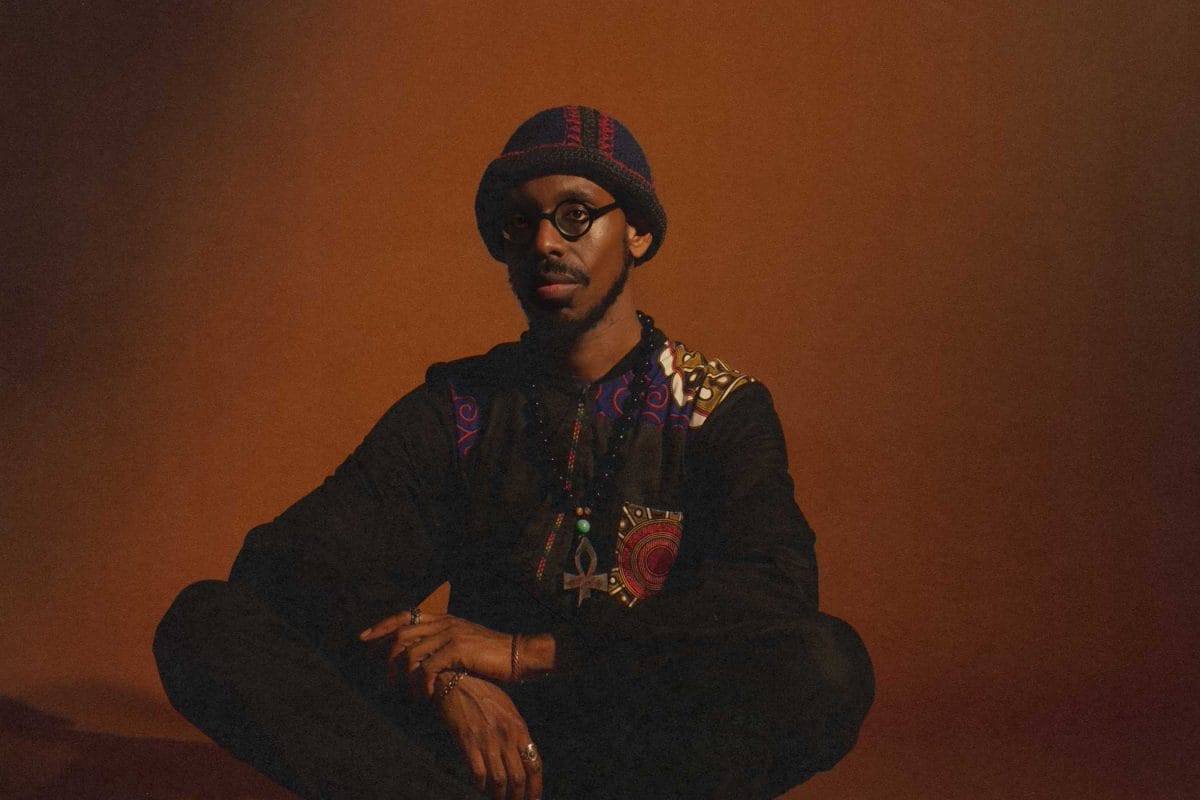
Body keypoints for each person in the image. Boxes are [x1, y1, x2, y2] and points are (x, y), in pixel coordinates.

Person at [153, 105, 874, 800]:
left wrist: (530, 654)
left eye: (575, 215)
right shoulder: (462, 407)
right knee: (206, 622)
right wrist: (447, 680)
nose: (545, 244)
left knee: (827, 664)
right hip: (477, 750)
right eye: (520, 221)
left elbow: (772, 595)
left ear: (639, 234)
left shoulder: (717, 407)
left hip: (645, 741)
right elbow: (287, 561)